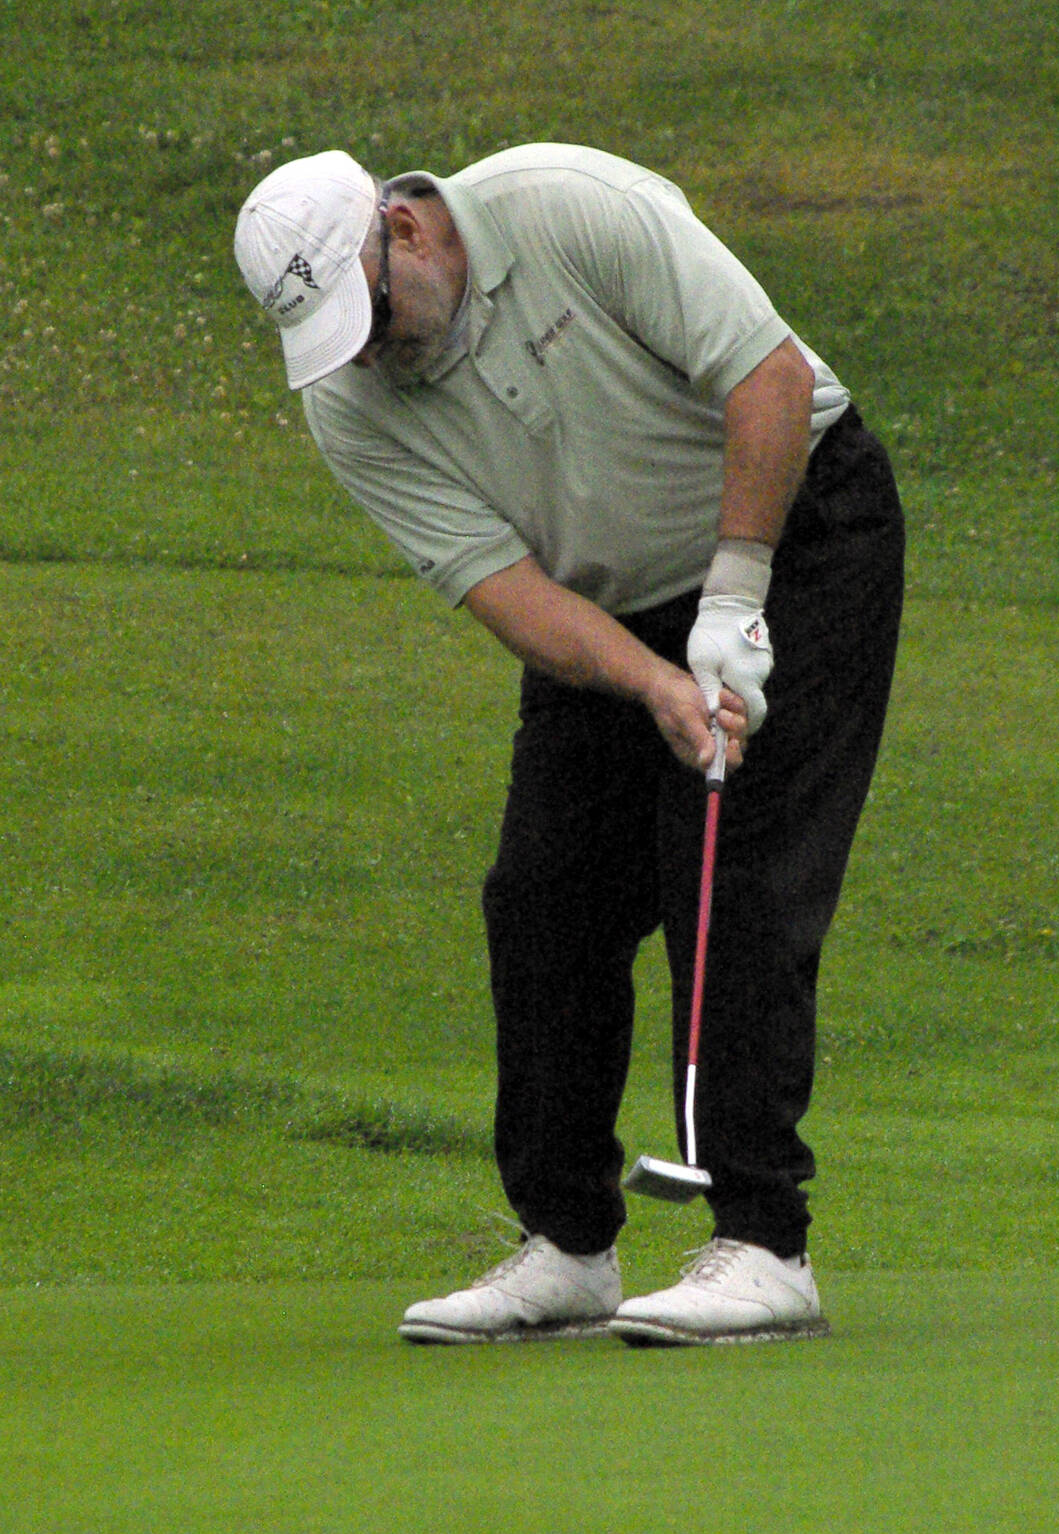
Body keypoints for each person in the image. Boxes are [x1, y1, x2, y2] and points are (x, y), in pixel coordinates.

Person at [232, 144, 904, 1346]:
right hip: (606, 611)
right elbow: (503, 588)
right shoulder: (347, 399)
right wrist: (653, 679)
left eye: (373, 318)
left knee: (733, 871)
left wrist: (734, 599)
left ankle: (762, 1242)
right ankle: (571, 1245)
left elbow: (767, 376)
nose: (370, 352)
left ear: (407, 230)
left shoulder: (567, 206)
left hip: (794, 529)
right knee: (540, 895)